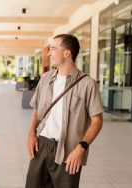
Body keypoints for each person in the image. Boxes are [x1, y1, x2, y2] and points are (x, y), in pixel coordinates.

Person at [25, 34, 104, 188]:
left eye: (53, 49)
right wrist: (31, 133)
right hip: (41, 146)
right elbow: (37, 108)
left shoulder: (88, 83)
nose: (49, 53)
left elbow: (97, 121)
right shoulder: (45, 78)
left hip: (69, 151)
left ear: (67, 53)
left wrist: (81, 148)